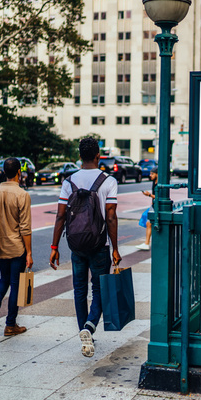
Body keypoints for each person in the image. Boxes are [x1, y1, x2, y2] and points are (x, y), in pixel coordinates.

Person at [49, 137, 121, 357]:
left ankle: (84, 335)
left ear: (79, 156)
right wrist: (115, 248)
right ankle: (90, 327)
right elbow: (110, 217)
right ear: (98, 155)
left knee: (79, 290)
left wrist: (54, 246)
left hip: (76, 245)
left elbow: (60, 216)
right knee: (99, 289)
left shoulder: (69, 182)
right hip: (99, 245)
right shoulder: (108, 181)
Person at [0, 157, 33, 336]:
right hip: (17, 247)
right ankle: (10, 324)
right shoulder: (22, 195)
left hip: (0, 245)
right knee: (16, 285)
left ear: (4, 172)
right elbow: (25, 227)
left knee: (3, 279)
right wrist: (29, 253)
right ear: (19, 172)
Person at [136, 167, 158, 251]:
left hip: (157, 206)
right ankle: (147, 243)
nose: (150, 175)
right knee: (148, 223)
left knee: (149, 223)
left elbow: (160, 197)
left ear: (157, 174)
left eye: (152, 174)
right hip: (153, 206)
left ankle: (146, 243)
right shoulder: (154, 182)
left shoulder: (159, 183)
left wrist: (149, 195)